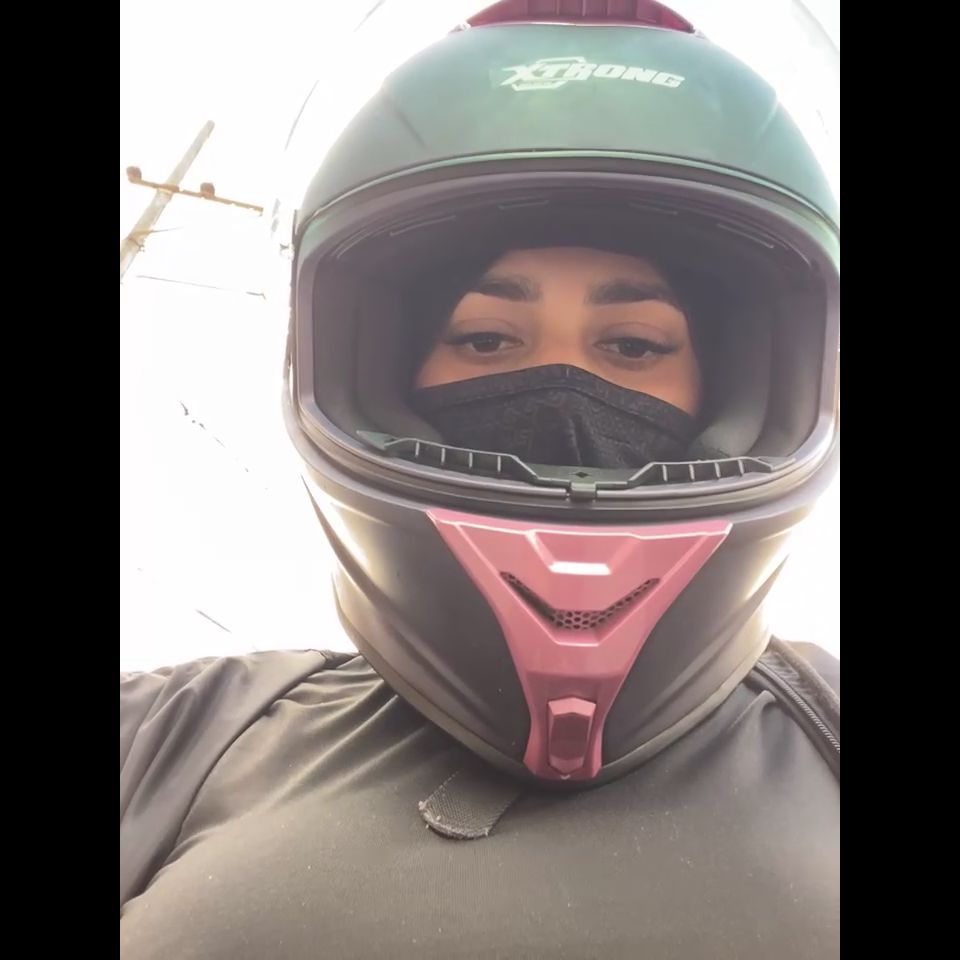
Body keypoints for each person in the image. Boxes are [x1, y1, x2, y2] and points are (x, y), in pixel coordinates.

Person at [120, 3, 839, 957]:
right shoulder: (170, 739)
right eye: (488, 340)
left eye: (633, 345)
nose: (561, 400)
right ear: (380, 369)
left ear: (737, 391)